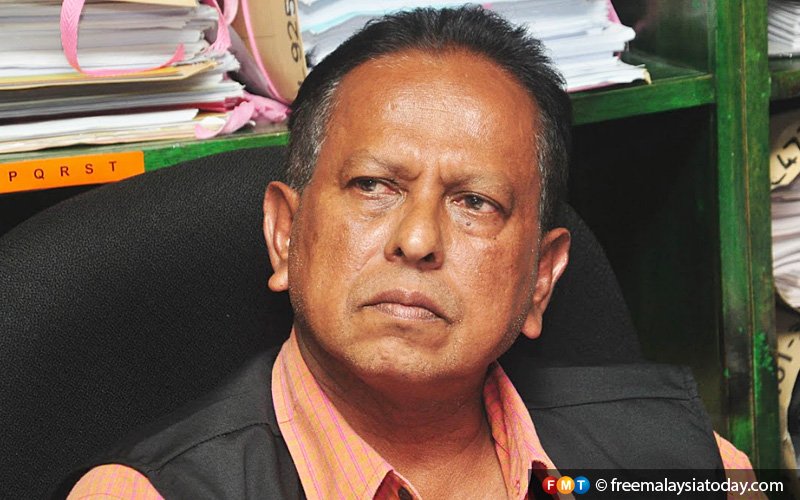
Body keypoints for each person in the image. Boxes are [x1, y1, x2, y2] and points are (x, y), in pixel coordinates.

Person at [66, 6, 754, 499]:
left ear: (541, 279)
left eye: (475, 201)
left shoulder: (693, 466)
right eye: (373, 186)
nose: (418, 240)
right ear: (285, 234)